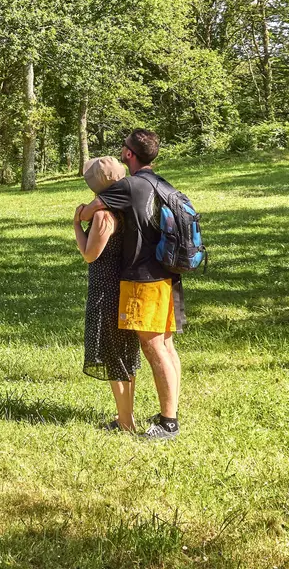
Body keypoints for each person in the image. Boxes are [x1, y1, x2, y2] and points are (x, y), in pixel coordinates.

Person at [74, 129, 185, 439]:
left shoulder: (127, 187)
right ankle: (170, 413)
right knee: (166, 345)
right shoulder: (159, 183)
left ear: (129, 154)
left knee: (153, 348)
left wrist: (78, 217)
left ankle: (169, 423)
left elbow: (90, 212)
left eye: (124, 147)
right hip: (167, 271)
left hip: (143, 279)